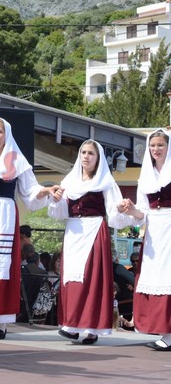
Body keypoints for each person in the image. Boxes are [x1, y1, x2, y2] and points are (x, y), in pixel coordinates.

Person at [0, 116, 61, 339]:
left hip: (5, 215)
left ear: (7, 135)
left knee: (3, 268)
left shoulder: (17, 160)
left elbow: (30, 192)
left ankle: (0, 323)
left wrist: (46, 190)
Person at [48, 139, 130, 345]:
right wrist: (56, 200)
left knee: (91, 279)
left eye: (90, 153)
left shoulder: (105, 182)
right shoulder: (70, 181)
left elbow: (114, 213)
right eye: (83, 152)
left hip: (94, 229)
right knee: (71, 278)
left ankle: (92, 329)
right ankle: (71, 325)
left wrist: (120, 210)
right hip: (73, 230)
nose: (86, 156)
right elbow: (60, 212)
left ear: (98, 158)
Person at [117, 129, 171, 351]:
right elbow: (143, 213)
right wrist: (131, 210)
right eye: (153, 145)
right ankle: (165, 332)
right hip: (154, 231)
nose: (156, 149)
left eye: (160, 145)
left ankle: (168, 336)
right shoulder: (146, 174)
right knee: (157, 277)